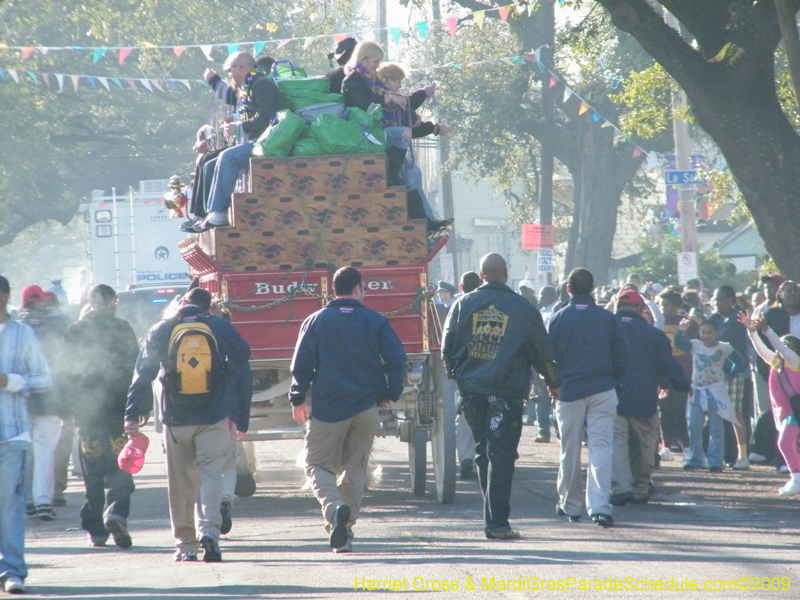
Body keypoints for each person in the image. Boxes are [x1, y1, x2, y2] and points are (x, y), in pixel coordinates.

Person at [125, 287, 252, 562]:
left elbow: (143, 371)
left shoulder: (162, 328)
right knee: (210, 475)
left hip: (176, 419)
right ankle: (210, 533)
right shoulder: (217, 324)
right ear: (208, 307)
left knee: (181, 483)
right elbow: (243, 353)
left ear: (183, 303)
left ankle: (186, 545)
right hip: (213, 416)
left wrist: (133, 414)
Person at [442, 253, 560, 539]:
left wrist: (458, 377)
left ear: (481, 275)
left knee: (484, 451)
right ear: (506, 275)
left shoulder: (462, 304)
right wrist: (553, 382)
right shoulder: (523, 307)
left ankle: (493, 519)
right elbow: (542, 351)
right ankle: (497, 523)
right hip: (506, 392)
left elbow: (447, 348)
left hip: (472, 391)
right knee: (503, 455)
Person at [290, 267, 406, 553]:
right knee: (354, 470)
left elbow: (301, 365)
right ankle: (345, 533)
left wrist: (298, 399)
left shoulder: (315, 320)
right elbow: (396, 359)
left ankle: (334, 508)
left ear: (333, 289)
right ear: (357, 289)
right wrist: (390, 393)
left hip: (329, 408)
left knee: (316, 464)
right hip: (366, 408)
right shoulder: (376, 320)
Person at [58, 285, 142, 548]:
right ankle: (116, 512)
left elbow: (65, 373)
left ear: (90, 302)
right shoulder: (123, 328)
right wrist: (140, 408)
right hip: (118, 412)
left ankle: (95, 529)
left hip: (88, 414)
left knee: (92, 473)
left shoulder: (74, 330)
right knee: (122, 466)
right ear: (112, 303)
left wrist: (65, 411)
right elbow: (136, 371)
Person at [547, 268, 625, 527]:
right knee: (601, 448)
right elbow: (621, 356)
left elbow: (549, 358)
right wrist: (614, 380)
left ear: (568, 289)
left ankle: (570, 505)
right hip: (602, 388)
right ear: (592, 289)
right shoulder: (607, 318)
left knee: (569, 449)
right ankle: (600, 507)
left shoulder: (558, 319)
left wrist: (552, 384)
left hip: (568, 391)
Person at [610, 290, 689, 505]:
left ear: (617, 306)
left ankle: (621, 488)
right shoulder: (653, 334)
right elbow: (667, 365)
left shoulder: (605, 329)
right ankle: (640, 488)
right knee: (644, 447)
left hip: (612, 398)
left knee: (617, 445)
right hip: (644, 399)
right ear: (641, 309)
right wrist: (682, 384)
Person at [0, 275, 52, 595]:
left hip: (12, 434)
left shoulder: (23, 334)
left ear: (5, 295)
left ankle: (13, 570)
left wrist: (11, 381)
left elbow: (44, 379)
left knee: (9, 505)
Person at [192, 52, 283, 232]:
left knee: (228, 157)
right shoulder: (250, 85)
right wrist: (234, 119)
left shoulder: (262, 85)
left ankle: (218, 212)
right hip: (257, 139)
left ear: (239, 68)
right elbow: (248, 110)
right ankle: (207, 214)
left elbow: (266, 118)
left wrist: (238, 126)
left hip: (269, 140)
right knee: (210, 164)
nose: (229, 75)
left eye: (229, 70)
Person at [16, 284, 68, 521]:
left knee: (23, 452)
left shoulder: (14, 329)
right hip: (51, 398)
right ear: (42, 303)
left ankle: (25, 500)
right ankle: (44, 502)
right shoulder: (56, 325)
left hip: (20, 399)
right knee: (46, 450)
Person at [739, 312, 800, 495]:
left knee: (784, 443)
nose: (783, 345)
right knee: (787, 444)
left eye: (789, 343)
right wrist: (753, 332)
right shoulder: (775, 362)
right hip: (781, 411)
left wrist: (766, 329)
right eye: (783, 341)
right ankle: (796, 477)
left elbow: (780, 347)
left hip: (794, 410)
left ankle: (796, 478)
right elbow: (761, 349)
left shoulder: (795, 361)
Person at [674, 318, 745, 472]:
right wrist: (680, 331)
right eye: (703, 332)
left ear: (716, 333)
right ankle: (695, 459)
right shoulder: (695, 345)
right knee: (694, 426)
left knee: (716, 428)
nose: (706, 336)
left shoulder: (724, 348)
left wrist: (730, 376)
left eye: (710, 332)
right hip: (697, 391)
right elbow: (678, 344)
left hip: (715, 391)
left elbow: (739, 362)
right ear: (699, 333)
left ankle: (715, 461)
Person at [708, 285, 752, 470]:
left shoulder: (737, 319)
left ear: (730, 300)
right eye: (715, 299)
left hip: (735, 372)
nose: (717, 302)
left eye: (721, 299)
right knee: (717, 414)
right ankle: (722, 455)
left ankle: (742, 456)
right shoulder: (714, 319)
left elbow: (735, 346)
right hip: (714, 374)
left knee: (736, 413)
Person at [657, 290, 696, 457]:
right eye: (661, 304)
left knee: (680, 412)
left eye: (666, 305)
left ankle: (687, 446)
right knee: (664, 412)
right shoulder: (658, 322)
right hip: (664, 374)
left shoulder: (689, 323)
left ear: (677, 305)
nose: (662, 308)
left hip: (683, 374)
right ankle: (666, 447)